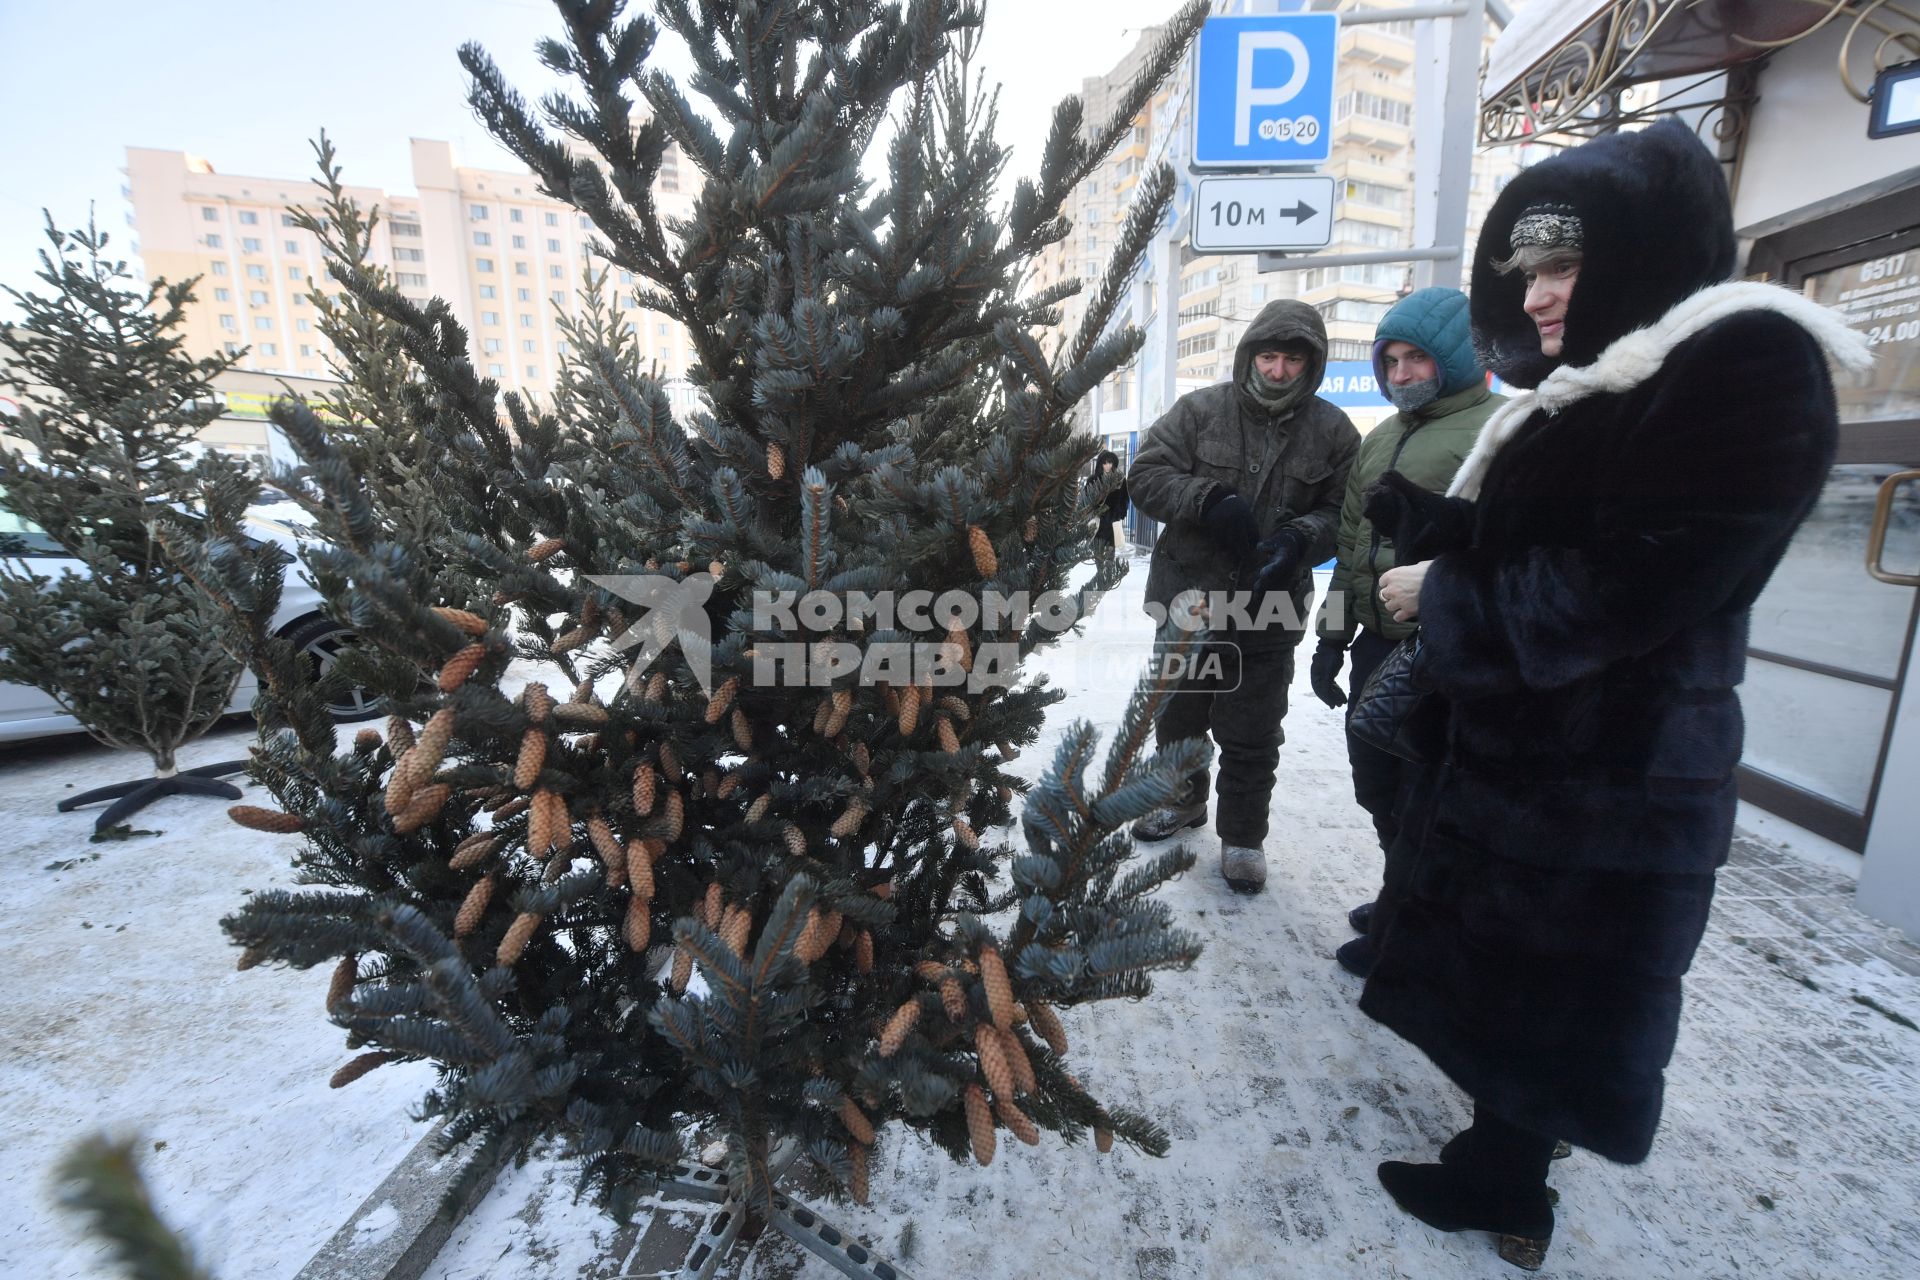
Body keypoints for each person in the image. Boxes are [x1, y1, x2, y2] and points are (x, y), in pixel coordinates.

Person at [1356, 120, 1870, 1269]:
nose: (1539, 297)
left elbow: (1642, 579)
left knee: (1555, 989)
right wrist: (1441, 528)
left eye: (1564, 268)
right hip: (1548, 756)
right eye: (1529, 272)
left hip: (1615, 773)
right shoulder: (1600, 383)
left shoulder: (1744, 362)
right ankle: (1502, 1159)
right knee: (1518, 977)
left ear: (1644, 253)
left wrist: (1452, 587)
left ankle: (1509, 1192)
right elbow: (1561, 533)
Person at [1126, 301, 1359, 892]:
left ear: (1312, 363)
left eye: (1292, 358)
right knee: (1177, 717)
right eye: (1268, 355)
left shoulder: (1333, 431)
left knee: (1252, 731)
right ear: (1250, 354)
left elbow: (1345, 511)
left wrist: (1300, 538)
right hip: (1188, 601)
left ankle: (1243, 836)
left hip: (1268, 614)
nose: (1278, 370)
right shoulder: (1199, 412)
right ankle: (1181, 803)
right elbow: (1146, 474)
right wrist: (1204, 499)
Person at [1310, 287, 1502, 979]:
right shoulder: (1382, 438)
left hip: (1449, 653)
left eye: (1416, 357)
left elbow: (1508, 548)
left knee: (1430, 798)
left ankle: (1420, 927)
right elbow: (1351, 546)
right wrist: (1332, 639)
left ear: (1453, 356)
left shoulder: (1501, 430)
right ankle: (1405, 895)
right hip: (1378, 646)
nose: (1400, 374)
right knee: (1379, 783)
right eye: (1389, 360)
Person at [1087, 449, 1130, 551]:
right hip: (1098, 523)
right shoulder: (1093, 480)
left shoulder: (1120, 480)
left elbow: (1125, 498)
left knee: (1110, 558)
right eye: (1104, 463)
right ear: (1100, 464)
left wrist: (1120, 513)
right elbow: (1086, 500)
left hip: (1112, 524)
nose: (1107, 466)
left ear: (1113, 463)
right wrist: (1092, 514)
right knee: (1098, 557)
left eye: (1110, 462)